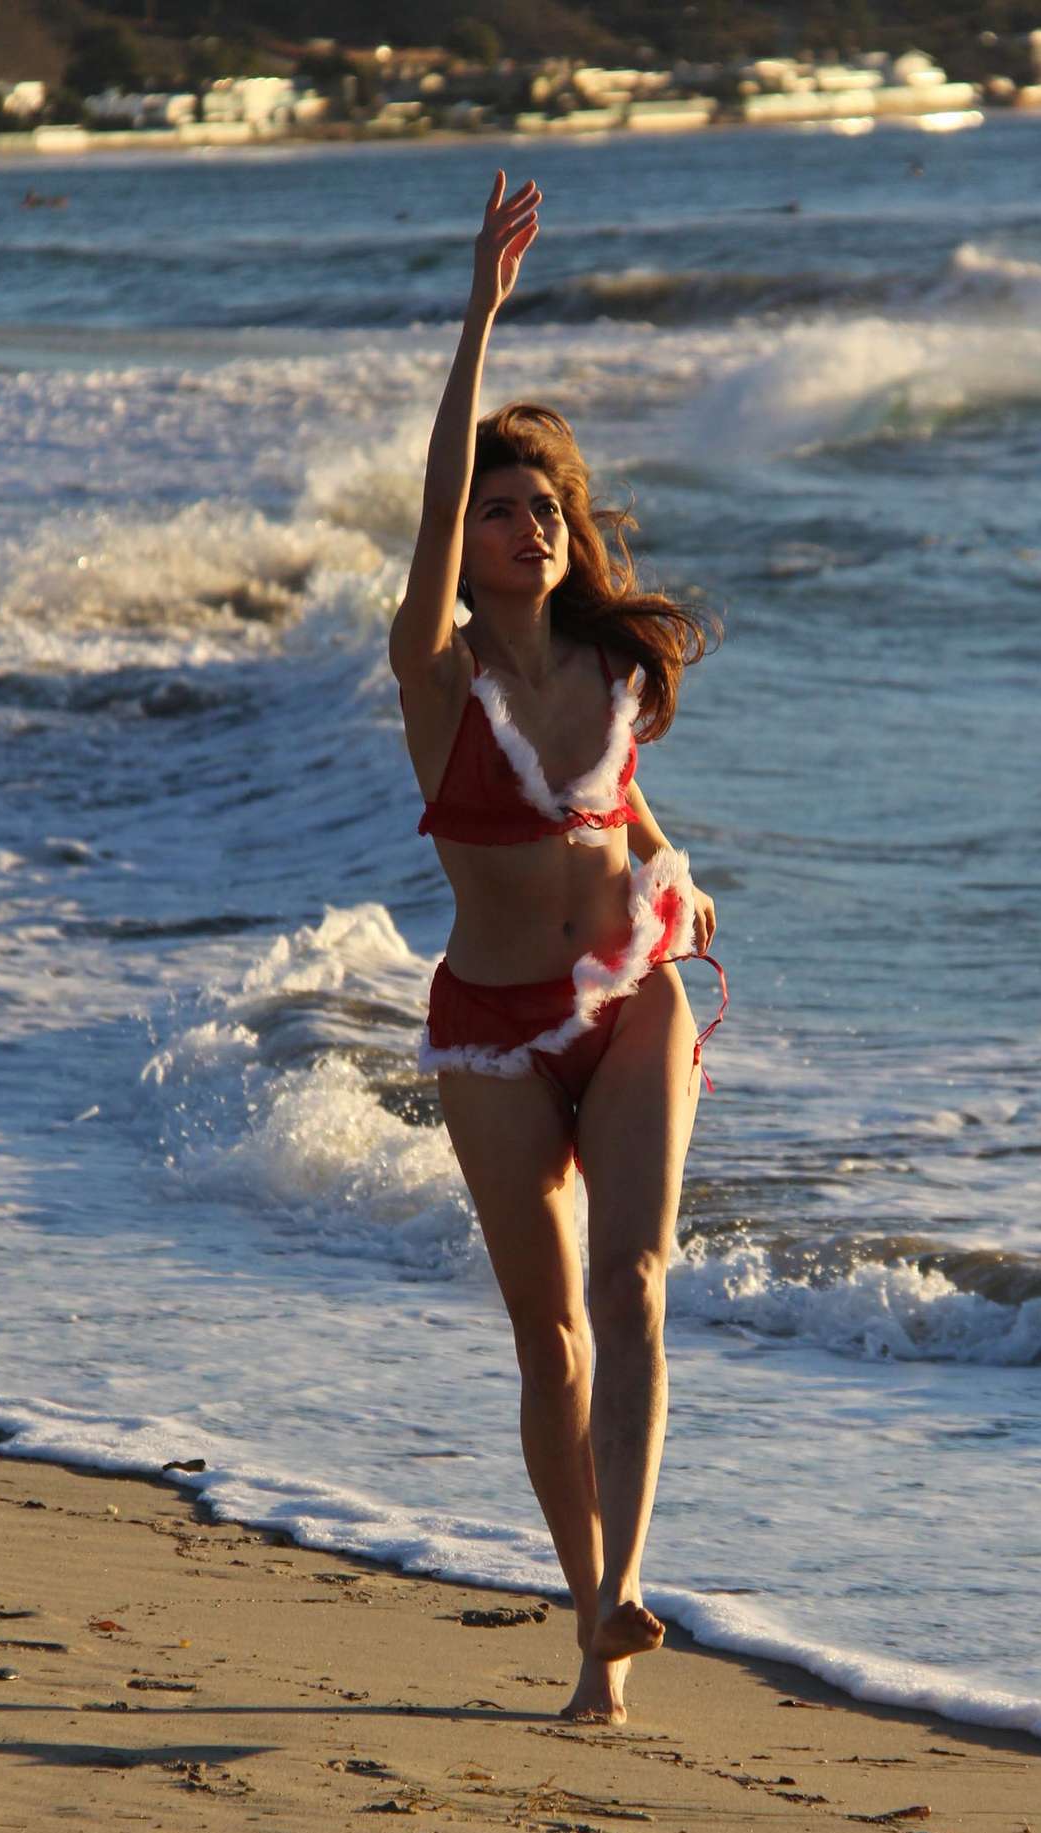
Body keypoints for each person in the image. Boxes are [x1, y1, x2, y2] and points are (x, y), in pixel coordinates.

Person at [389, 174, 723, 1726]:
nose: (526, 529)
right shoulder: (437, 678)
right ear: (465, 544)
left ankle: (627, 1595)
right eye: (499, 511)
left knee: (636, 1278)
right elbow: (430, 505)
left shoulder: (608, 664)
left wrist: (675, 867)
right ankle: (588, 1609)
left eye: (544, 509)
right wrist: (480, 315)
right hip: (490, 1032)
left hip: (631, 996)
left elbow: (625, 810)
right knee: (553, 1339)